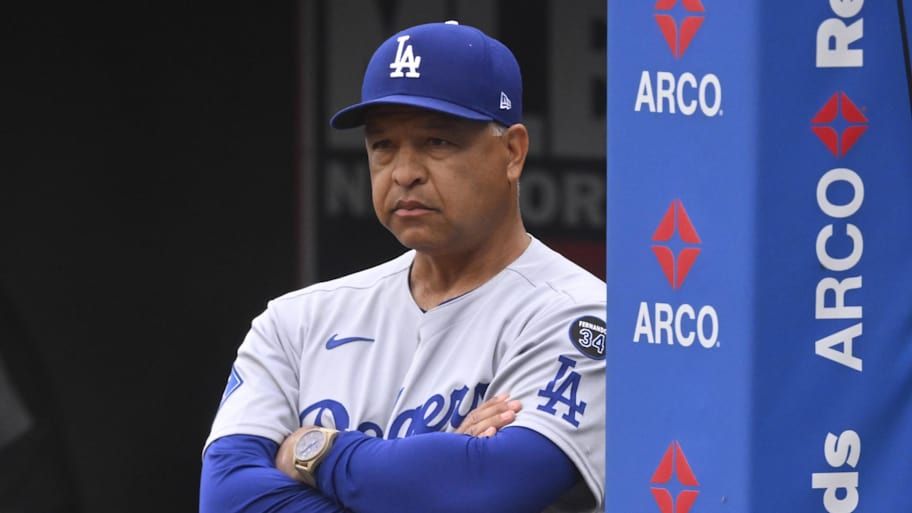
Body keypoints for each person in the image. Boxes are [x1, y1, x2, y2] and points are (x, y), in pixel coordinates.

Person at [200, 21, 605, 513]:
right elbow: (228, 498)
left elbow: (488, 485)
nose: (404, 172)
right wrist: (430, 476)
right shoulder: (295, 323)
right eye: (383, 145)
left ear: (512, 152)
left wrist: (313, 451)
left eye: (437, 142)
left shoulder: (579, 315)